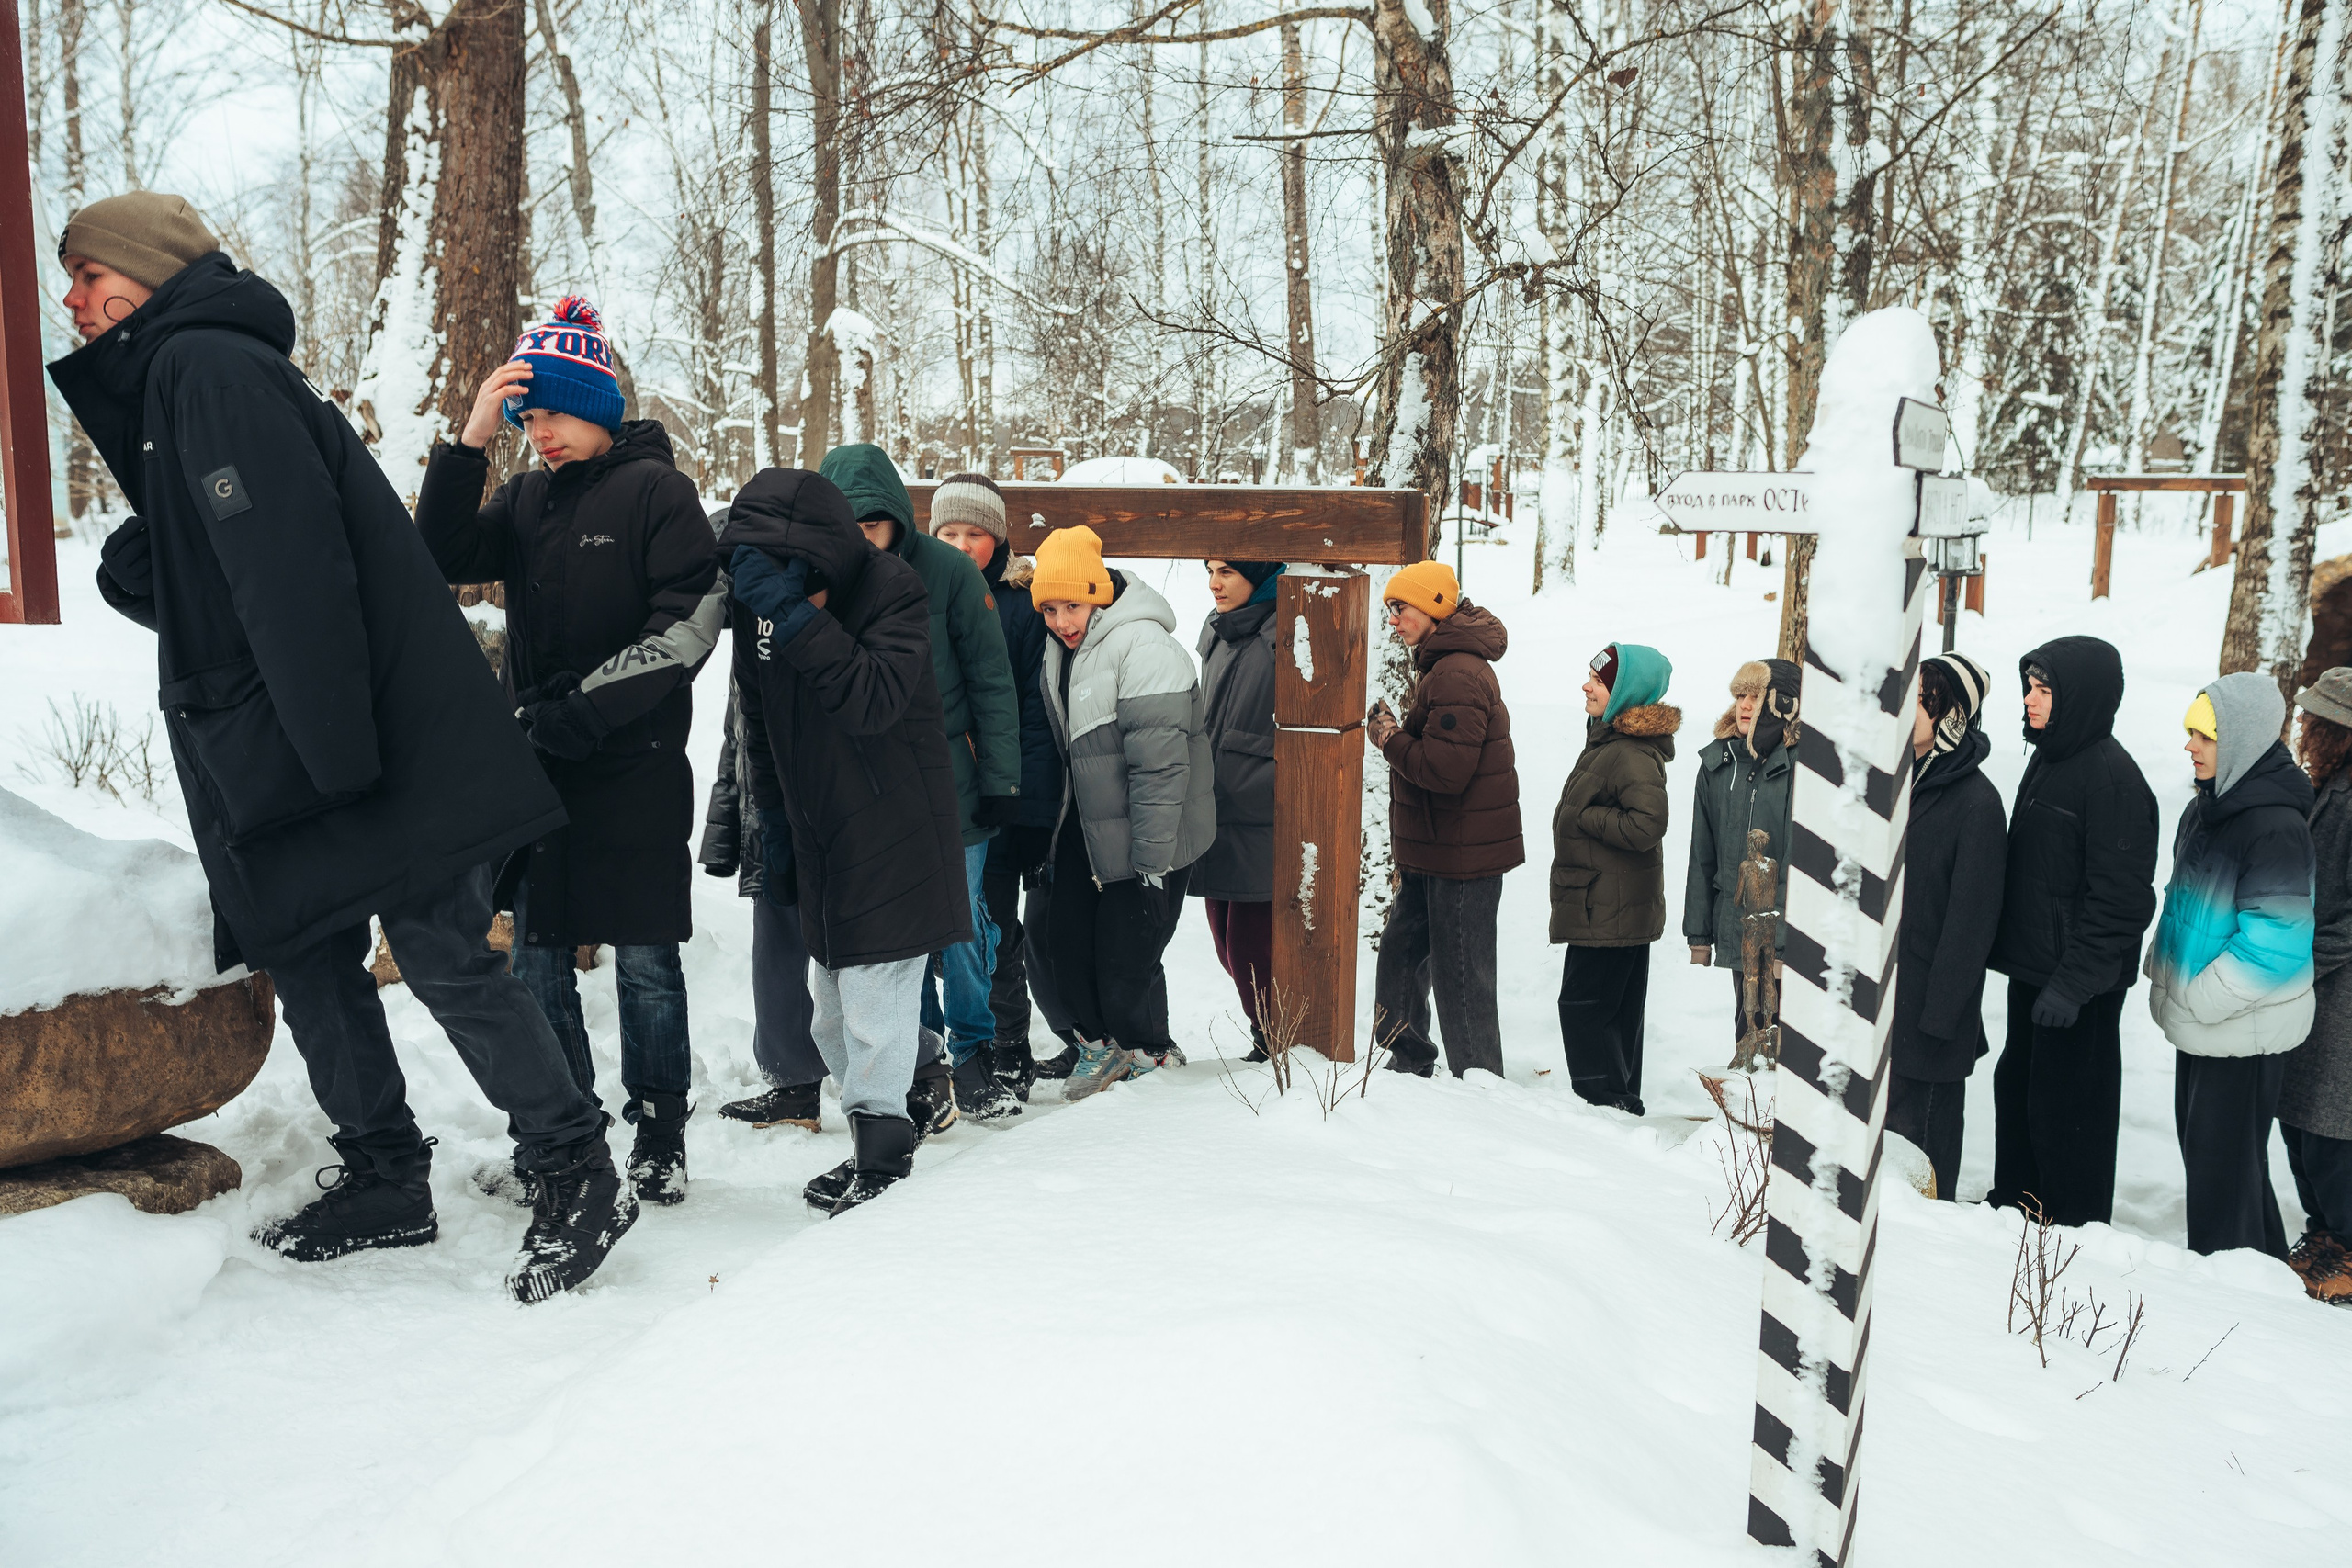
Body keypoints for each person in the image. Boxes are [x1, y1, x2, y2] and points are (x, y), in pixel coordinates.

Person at [47, 193, 633, 1300]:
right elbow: (225, 550)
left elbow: (293, 568)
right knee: (311, 953)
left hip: (348, 737)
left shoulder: (204, 366)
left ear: (144, 273)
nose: (70, 301)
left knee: (446, 953)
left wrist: (333, 756)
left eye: (87, 276)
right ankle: (384, 1177)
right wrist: (158, 568)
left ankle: (575, 1169)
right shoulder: (183, 378)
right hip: (289, 733)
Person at [415, 297, 722, 1206]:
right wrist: (468, 440)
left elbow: (686, 628)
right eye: (525, 417)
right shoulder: (528, 496)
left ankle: (659, 1139)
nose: (535, 431)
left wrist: (580, 713)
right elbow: (440, 553)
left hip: (632, 765)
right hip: (539, 772)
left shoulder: (658, 493)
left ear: (594, 403)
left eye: (546, 413)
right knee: (537, 956)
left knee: (644, 960)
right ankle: (566, 1136)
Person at [722, 466, 970, 1213]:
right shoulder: (761, 614)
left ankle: (882, 1150)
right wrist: (777, 828)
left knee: (870, 1003)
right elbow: (759, 727)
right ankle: (909, 1095)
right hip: (818, 833)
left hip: (895, 831)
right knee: (830, 1011)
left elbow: (872, 698)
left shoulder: (891, 590)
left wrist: (795, 617)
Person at [817, 445, 1019, 1135]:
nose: (863, 537)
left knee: (961, 929)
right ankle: (923, 1061)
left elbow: (992, 680)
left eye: (873, 524)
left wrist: (999, 779)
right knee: (901, 939)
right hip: (871, 787)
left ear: (899, 521)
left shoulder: (951, 573)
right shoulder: (824, 575)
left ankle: (975, 1045)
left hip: (954, 780)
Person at [1026, 525, 1216, 1099]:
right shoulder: (1067, 650)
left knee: (1125, 954)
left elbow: (1160, 768)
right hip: (1094, 827)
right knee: (1063, 941)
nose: (1063, 620)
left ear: (1100, 594)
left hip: (1152, 832)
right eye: (1051, 609)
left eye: (1074, 605)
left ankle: (1146, 1056)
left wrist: (1151, 864)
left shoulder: (1145, 647)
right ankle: (1102, 1046)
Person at [1986, 636, 2159, 1227]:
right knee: (2020, 1098)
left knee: (2068, 1119)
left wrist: (2072, 985)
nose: (2030, 701)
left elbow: (2122, 902)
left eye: (2045, 690)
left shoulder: (2114, 781)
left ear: (2080, 698)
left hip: (2076, 989)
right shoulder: (2051, 757)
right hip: (2037, 974)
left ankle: (2069, 1234)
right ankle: (2015, 1213)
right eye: (2029, 688)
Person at [2146, 672, 2312, 1258]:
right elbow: (2188, 904)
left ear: (2240, 740)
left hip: (2243, 1028)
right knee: (2218, 1164)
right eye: (2191, 732)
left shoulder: (2275, 826)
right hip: (2209, 1024)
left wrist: (2199, 996)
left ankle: (2232, 1298)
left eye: (2205, 736)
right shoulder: (2208, 809)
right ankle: (2260, 1271)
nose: (2190, 745)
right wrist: (2167, 969)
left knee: (2223, 1170)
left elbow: (2276, 945)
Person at [928, 473, 1067, 1115]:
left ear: (1000, 539)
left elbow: (1032, 716)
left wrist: (1028, 802)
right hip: (941, 790)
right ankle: (937, 1050)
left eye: (975, 534)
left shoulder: (1018, 606)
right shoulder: (919, 592)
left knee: (995, 925)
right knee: (952, 922)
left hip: (1004, 793)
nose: (961, 545)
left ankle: (1006, 1043)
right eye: (949, 533)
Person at [1365, 561, 1524, 1077]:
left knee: (1462, 979)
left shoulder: (1457, 671)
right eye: (1390, 608)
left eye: (1400, 607)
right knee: (1401, 958)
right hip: (1433, 851)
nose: (1393, 619)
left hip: (1462, 856)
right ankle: (1410, 1064)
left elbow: (1446, 770)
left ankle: (1480, 1085)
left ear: (1434, 606)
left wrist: (1389, 738)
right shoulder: (1442, 665)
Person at [1887, 653, 2006, 1201]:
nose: (1903, 709)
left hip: (1933, 1022)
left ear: (1952, 715)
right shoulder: (1895, 782)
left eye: (1921, 700)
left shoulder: (1978, 804)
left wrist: (1938, 1021)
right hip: (1886, 1008)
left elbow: (1970, 924)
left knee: (1923, 1166)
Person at [1551, 643, 1679, 1115]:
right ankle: (1617, 1103)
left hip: (1608, 909)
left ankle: (1607, 1105)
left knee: (1585, 1007)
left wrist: (1588, 819)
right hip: (1606, 904)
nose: (1586, 685)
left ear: (1624, 693)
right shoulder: (1608, 742)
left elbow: (1647, 824)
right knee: (1614, 1013)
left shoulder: (1627, 753)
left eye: (1599, 681)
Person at [1194, 557, 1287, 1057]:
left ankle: (1275, 1036)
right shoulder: (1216, 631)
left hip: (1259, 810)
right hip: (1216, 801)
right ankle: (1265, 1030)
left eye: (1227, 571)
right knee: (1226, 944)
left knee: (1251, 945)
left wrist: (1265, 778)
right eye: (1210, 570)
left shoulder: (1286, 635)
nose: (1214, 583)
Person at [1681, 659, 1800, 1047]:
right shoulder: (1720, 764)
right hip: (1741, 930)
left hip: (1789, 942)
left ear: (1781, 704)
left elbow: (1797, 866)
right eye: (1739, 696)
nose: (1744, 705)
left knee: (1782, 1048)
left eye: (1756, 696)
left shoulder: (1801, 766)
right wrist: (1700, 933)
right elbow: (1703, 857)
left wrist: (1782, 944)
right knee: (1749, 1034)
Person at [2284, 669, 2352, 1302]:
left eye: (2313, 720)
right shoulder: (2322, 788)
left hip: (2340, 996)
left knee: (2332, 1134)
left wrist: (2309, 955)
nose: (2302, 728)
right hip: (2312, 991)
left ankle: (2346, 1251)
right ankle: (2323, 1237)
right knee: (2301, 1124)